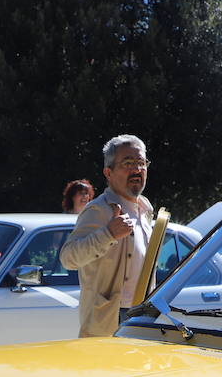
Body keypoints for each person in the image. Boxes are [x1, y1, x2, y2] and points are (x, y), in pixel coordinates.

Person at [61, 135, 155, 337]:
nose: (137, 170)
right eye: (128, 163)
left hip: (142, 318)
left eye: (141, 162)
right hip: (109, 322)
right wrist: (108, 234)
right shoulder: (98, 210)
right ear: (108, 172)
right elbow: (68, 258)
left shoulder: (145, 208)